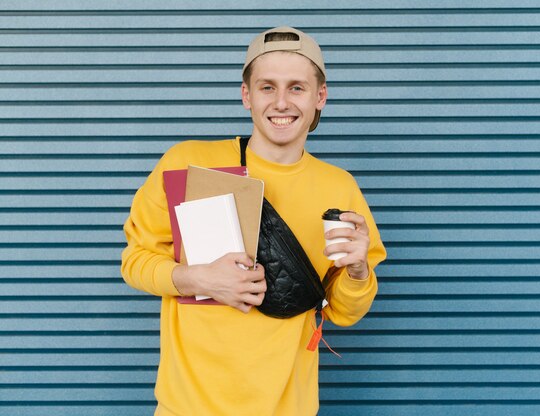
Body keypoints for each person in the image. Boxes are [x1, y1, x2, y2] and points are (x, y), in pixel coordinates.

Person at [121, 26, 386, 416]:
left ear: (320, 97)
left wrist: (360, 271)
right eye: (267, 87)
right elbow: (135, 260)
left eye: (297, 87)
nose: (281, 102)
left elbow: (343, 312)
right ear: (246, 95)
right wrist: (198, 278)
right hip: (188, 407)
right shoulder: (188, 164)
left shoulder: (339, 188)